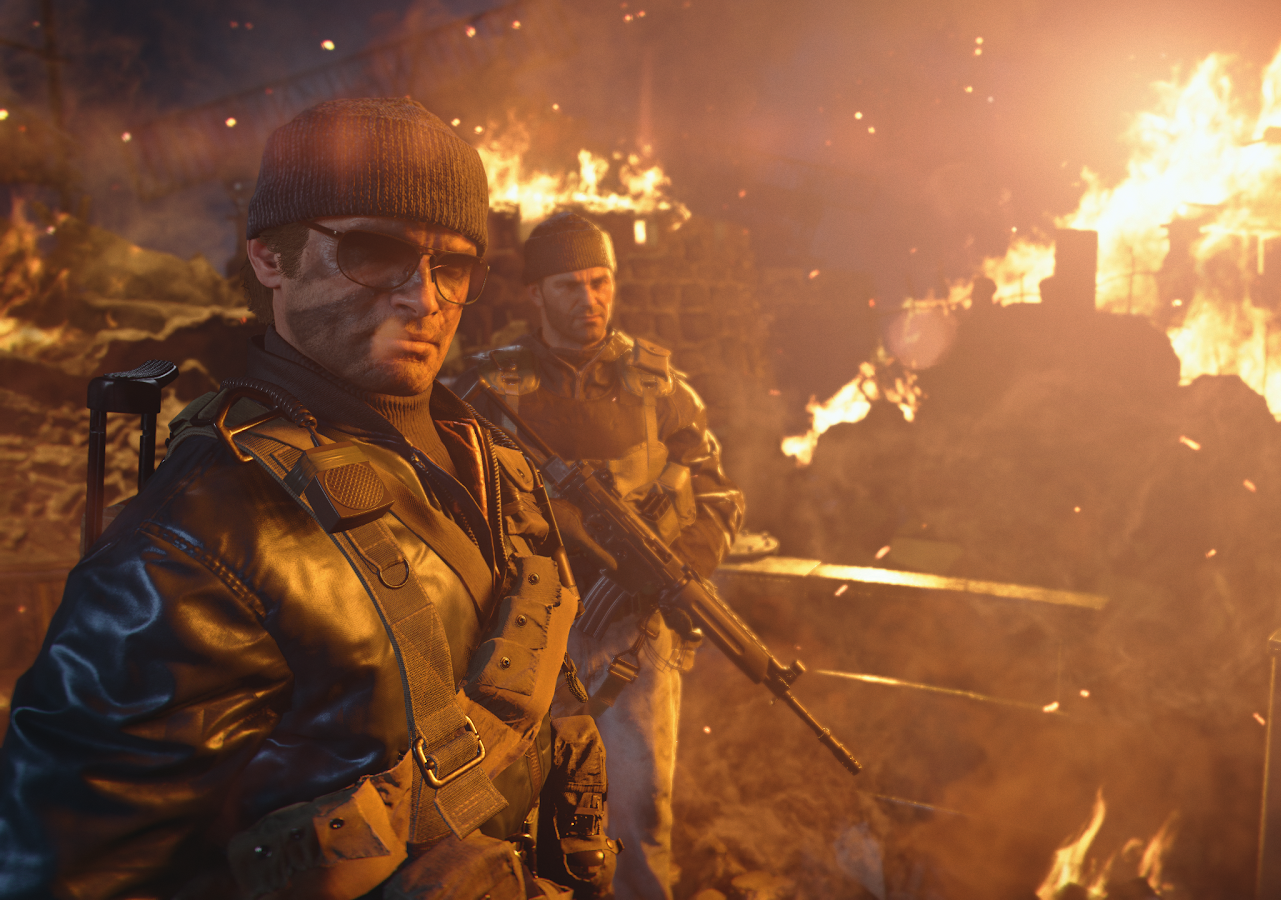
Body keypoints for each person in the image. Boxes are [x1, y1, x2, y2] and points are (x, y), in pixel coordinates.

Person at [0, 98, 613, 899]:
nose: (424, 298)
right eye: (374, 252)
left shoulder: (492, 462)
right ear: (269, 258)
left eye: (453, 266)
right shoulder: (195, 539)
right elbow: (77, 874)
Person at [458, 211, 745, 900]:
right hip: (523, 635)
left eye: (600, 281)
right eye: (569, 285)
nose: (589, 299)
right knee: (520, 814)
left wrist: (666, 575)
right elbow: (454, 501)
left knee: (641, 817)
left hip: (633, 637)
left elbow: (717, 499)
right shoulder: (490, 391)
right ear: (535, 293)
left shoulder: (662, 390)